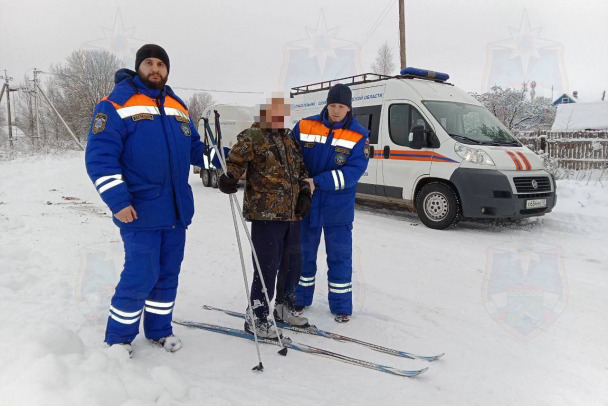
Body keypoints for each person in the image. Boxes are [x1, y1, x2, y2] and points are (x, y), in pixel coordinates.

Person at [85, 44, 211, 356]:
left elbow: (194, 148)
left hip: (176, 211)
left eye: (161, 64)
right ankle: (118, 339)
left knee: (168, 274)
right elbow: (100, 157)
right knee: (141, 275)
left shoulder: (177, 105)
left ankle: (159, 330)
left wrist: (221, 161)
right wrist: (118, 201)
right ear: (140, 66)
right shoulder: (115, 103)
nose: (155, 69)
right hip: (139, 210)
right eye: (149, 63)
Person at [218, 96, 312, 338]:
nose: (278, 118)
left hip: (292, 215)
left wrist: (304, 193)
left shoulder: (289, 140)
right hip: (266, 215)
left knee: (293, 265)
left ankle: (283, 307)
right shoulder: (253, 136)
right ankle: (257, 317)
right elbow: (235, 162)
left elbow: (302, 171)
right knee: (266, 268)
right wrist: (228, 176)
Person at [291, 83, 370, 323]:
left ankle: (341, 306)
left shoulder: (359, 135)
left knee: (339, 257)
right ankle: (298, 300)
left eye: (342, 106)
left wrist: (317, 182)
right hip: (307, 205)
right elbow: (289, 155)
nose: (336, 110)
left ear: (349, 108)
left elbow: (352, 173)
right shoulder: (305, 125)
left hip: (338, 210)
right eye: (333, 105)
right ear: (327, 104)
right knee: (303, 255)